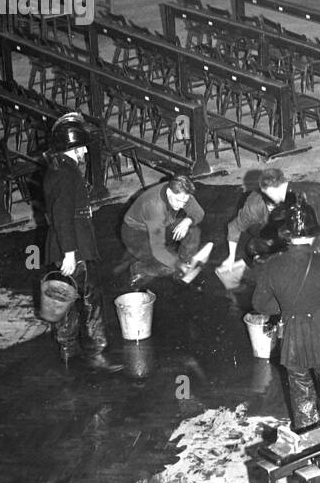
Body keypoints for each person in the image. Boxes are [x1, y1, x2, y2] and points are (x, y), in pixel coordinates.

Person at [249, 199, 320, 432]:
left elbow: (261, 304)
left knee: (302, 397)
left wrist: (286, 307)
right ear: (313, 234)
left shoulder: (272, 265)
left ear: (287, 235)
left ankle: (308, 442)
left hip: (294, 339)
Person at [42, 112, 119, 372]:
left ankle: (67, 349)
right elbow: (63, 215)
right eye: (82, 146)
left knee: (65, 296)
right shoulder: (68, 173)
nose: (85, 150)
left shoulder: (56, 168)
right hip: (75, 248)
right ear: (72, 146)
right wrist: (70, 253)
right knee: (91, 299)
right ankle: (97, 352)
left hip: (59, 245)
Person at [222, 168, 320, 269]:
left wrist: (315, 251)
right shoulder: (255, 204)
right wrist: (231, 257)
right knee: (253, 247)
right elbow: (235, 227)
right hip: (287, 232)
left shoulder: (305, 199)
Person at [121, 174, 211, 288]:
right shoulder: (154, 206)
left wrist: (188, 220)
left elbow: (199, 212)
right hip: (136, 234)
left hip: (163, 223)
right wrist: (177, 264)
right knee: (168, 267)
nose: (181, 205)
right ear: (169, 193)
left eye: (185, 202)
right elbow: (158, 249)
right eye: (178, 201)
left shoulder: (181, 192)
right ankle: (140, 268)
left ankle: (184, 270)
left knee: (193, 231)